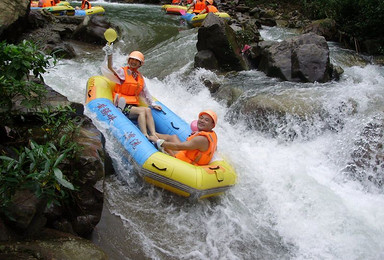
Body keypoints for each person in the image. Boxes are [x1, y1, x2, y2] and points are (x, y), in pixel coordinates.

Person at [102, 43, 162, 139]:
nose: (133, 62)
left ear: (140, 64)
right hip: (122, 105)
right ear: (129, 60)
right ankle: (145, 135)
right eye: (132, 59)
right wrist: (109, 55)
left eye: (136, 61)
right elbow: (110, 67)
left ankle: (154, 134)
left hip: (132, 105)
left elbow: (145, 92)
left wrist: (153, 104)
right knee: (142, 111)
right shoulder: (122, 72)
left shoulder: (140, 77)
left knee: (147, 110)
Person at [149, 110, 218, 166]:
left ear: (212, 125)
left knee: (165, 146)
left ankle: (152, 137)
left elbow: (178, 147)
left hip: (187, 165)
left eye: (206, 120)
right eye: (201, 118)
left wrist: (159, 142)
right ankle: (154, 134)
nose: (202, 121)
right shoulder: (212, 134)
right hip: (189, 158)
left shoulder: (201, 139)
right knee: (174, 137)